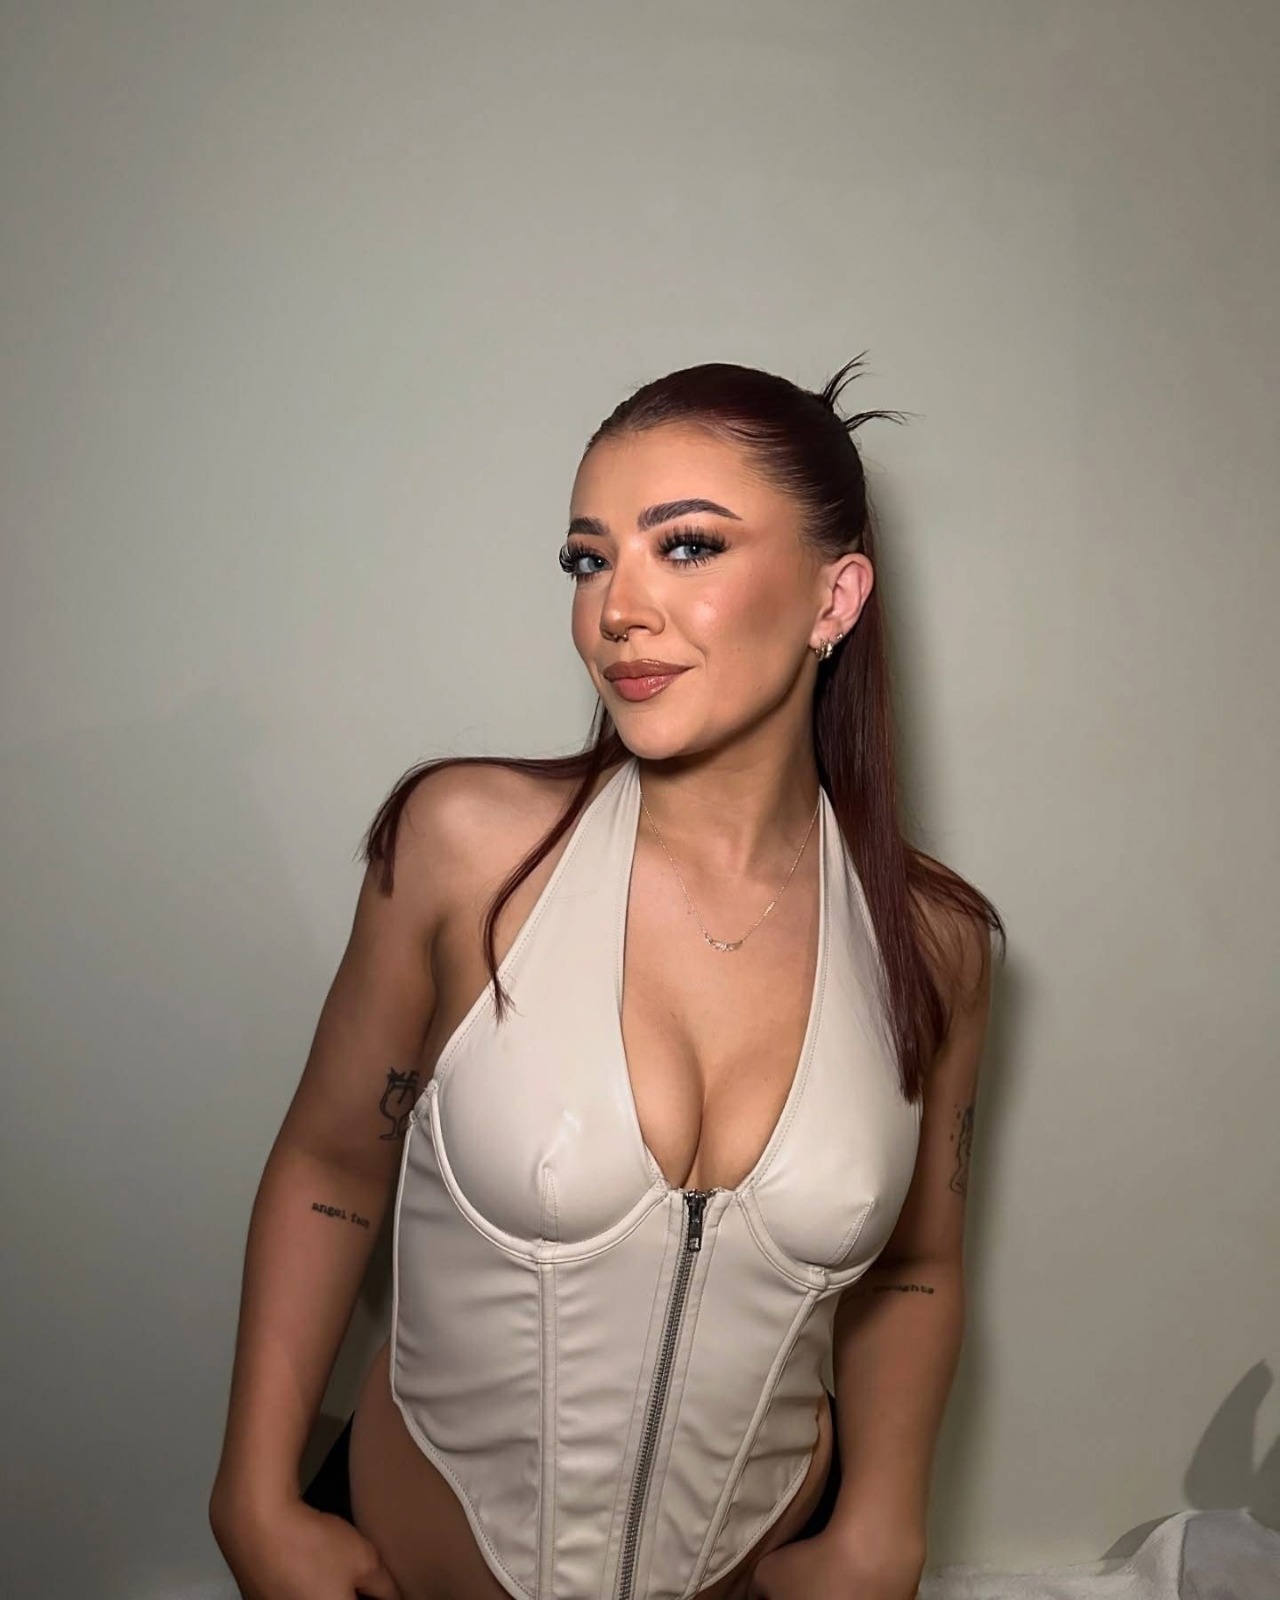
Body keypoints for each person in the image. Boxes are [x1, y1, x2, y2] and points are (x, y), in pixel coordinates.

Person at [208, 356, 1004, 1600]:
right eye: (588, 560)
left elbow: (918, 1262)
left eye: (684, 546)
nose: (615, 609)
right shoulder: (466, 848)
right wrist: (253, 1493)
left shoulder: (935, 941)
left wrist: (881, 1523)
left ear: (833, 595)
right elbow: (330, 1165)